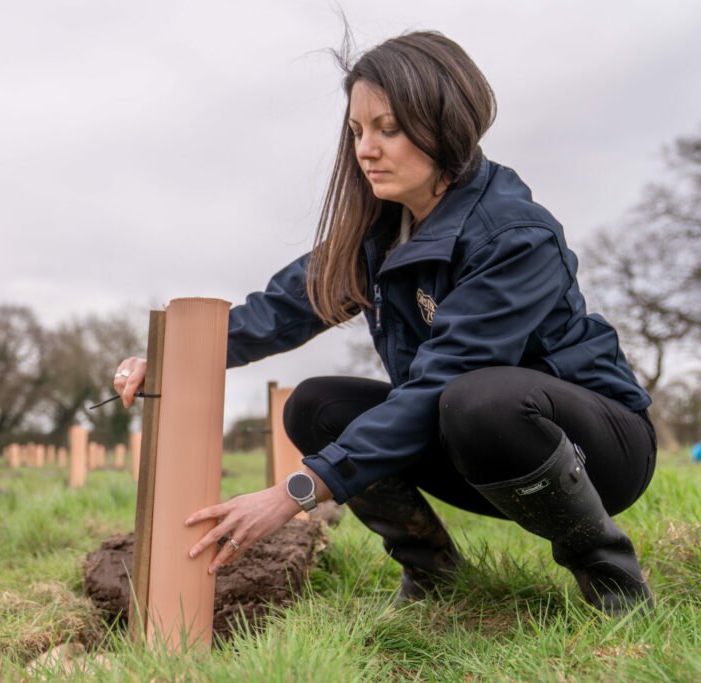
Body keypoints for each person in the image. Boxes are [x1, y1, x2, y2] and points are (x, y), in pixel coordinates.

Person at [113, 31, 656, 617]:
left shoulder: (514, 236)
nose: (364, 150)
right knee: (315, 405)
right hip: (467, 440)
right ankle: (433, 573)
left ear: (444, 124)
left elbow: (440, 383)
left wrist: (293, 493)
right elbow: (282, 309)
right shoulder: (379, 231)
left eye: (387, 129)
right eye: (356, 132)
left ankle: (611, 579)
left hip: (595, 452)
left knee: (476, 398)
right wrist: (170, 358)